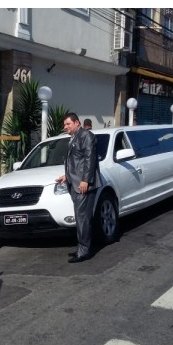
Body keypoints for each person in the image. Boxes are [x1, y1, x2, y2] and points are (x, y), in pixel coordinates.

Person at [56, 112, 102, 263]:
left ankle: (84, 250)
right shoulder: (74, 138)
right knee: (80, 217)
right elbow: (76, 162)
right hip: (75, 183)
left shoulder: (87, 136)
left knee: (83, 218)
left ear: (77, 123)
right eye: (64, 125)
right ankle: (82, 246)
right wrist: (67, 176)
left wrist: (85, 180)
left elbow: (90, 159)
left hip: (84, 185)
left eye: (68, 124)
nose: (65, 127)